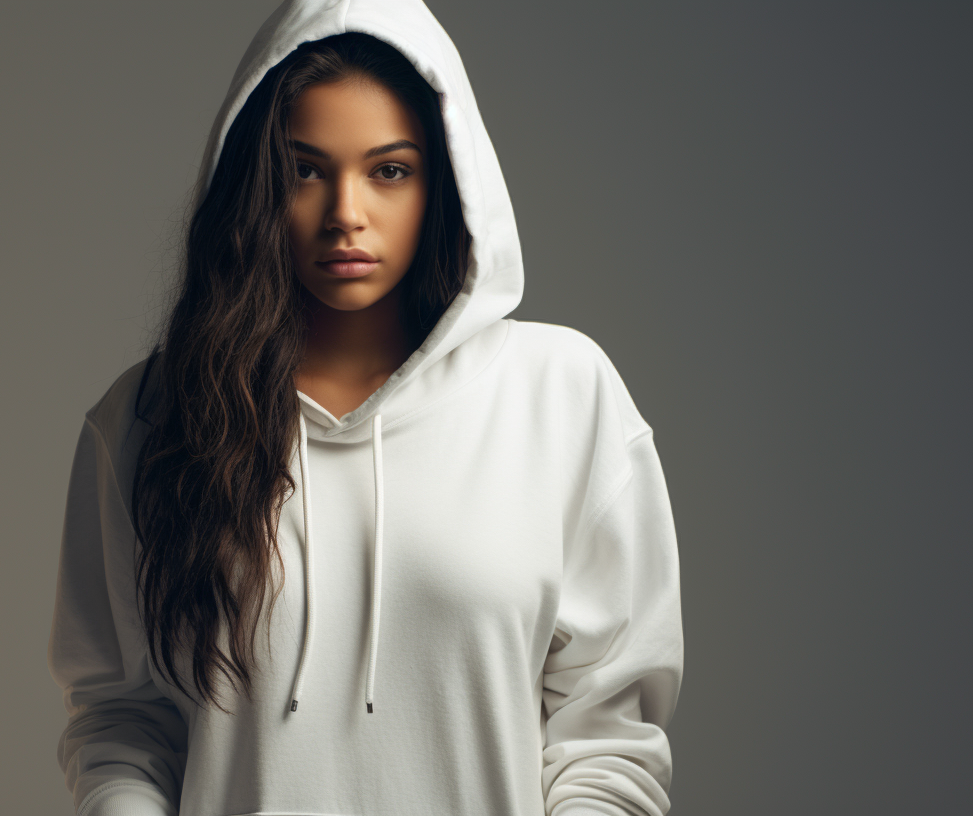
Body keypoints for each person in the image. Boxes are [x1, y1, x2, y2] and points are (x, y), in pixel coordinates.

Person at [47, 1, 684, 815]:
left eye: (389, 170)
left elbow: (610, 734)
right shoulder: (154, 417)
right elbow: (123, 723)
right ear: (256, 185)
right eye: (304, 170)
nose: (346, 212)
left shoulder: (560, 394)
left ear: (445, 182)